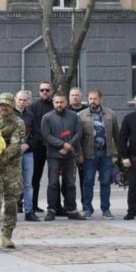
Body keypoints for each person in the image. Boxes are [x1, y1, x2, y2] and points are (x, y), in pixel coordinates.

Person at [0, 93, 26, 248]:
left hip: (12, 169)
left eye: (7, 106)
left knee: (11, 203)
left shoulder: (18, 123)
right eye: (1, 105)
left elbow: (15, 147)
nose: (3, 108)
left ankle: (7, 235)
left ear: (12, 107)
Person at [40, 93, 85, 221]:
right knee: (53, 183)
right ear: (53, 103)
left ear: (66, 102)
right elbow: (46, 135)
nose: (59, 105)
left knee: (70, 183)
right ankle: (51, 209)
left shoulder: (73, 116)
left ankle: (72, 209)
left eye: (62, 102)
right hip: (54, 155)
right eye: (57, 102)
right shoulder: (47, 117)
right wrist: (62, 144)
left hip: (70, 155)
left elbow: (79, 132)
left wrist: (69, 145)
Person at [78, 90, 119, 219]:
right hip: (89, 154)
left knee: (106, 182)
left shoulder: (110, 114)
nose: (92, 101)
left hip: (106, 153)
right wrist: (79, 154)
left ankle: (105, 209)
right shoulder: (81, 115)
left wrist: (118, 154)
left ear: (101, 99)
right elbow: (77, 137)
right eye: (90, 99)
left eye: (95, 99)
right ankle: (87, 209)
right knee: (88, 182)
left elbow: (117, 135)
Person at [30, 82, 56, 214]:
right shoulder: (33, 107)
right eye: (42, 90)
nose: (44, 92)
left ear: (52, 91)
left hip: (54, 147)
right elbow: (33, 126)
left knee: (54, 178)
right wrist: (42, 137)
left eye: (47, 90)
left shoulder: (56, 105)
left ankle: (55, 206)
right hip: (38, 147)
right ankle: (33, 205)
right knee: (35, 178)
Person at [14, 91, 40, 221]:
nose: (22, 102)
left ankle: (29, 211)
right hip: (12, 154)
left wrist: (28, 145)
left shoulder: (31, 115)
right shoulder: (10, 115)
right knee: (12, 183)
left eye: (24, 100)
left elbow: (36, 134)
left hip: (28, 153)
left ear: (28, 101)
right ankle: (11, 211)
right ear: (15, 100)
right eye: (20, 100)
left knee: (28, 184)